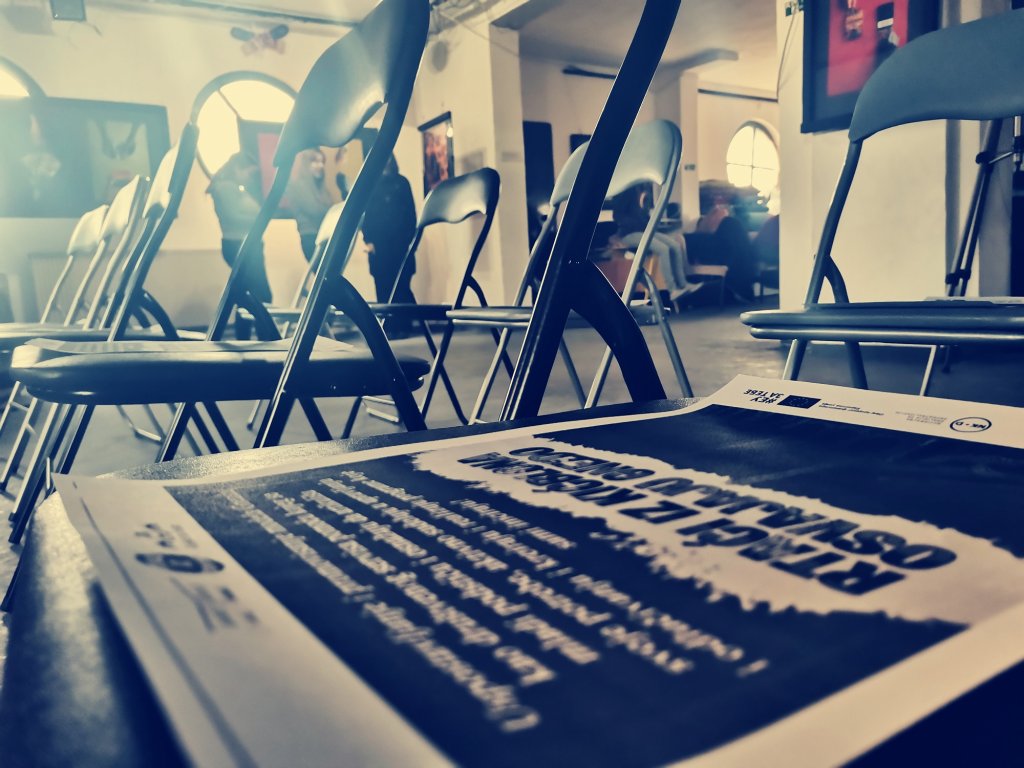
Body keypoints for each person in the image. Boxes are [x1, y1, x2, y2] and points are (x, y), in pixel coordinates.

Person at [207, 152, 271, 337]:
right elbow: (232, 217)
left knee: (245, 294)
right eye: (249, 173)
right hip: (240, 246)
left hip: (244, 245)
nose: (251, 178)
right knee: (262, 295)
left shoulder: (235, 188)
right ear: (237, 169)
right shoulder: (226, 187)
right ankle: (265, 339)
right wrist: (259, 220)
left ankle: (244, 339)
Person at [611, 185, 700, 303]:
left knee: (675, 245)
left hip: (645, 231)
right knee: (663, 249)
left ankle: (683, 284)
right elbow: (617, 215)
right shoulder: (626, 192)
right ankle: (672, 289)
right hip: (629, 233)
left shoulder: (644, 191)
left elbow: (645, 215)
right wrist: (635, 223)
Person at [361, 155, 417, 336]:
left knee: (401, 285)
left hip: (400, 243)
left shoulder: (401, 183)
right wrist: (369, 240)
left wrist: (410, 242)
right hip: (379, 244)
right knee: (383, 285)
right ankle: (388, 326)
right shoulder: (371, 185)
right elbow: (367, 217)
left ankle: (404, 325)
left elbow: (410, 215)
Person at [287, 147, 334, 261]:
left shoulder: (322, 188)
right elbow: (315, 210)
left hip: (325, 235)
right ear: (306, 164)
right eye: (315, 162)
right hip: (310, 236)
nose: (320, 165)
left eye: (322, 162)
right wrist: (330, 211)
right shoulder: (298, 186)